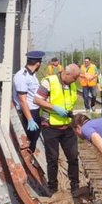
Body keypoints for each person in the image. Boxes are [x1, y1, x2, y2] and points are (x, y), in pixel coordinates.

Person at [34, 63, 81, 194]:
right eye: (74, 78)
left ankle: (75, 187)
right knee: (52, 159)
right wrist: (54, 108)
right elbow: (37, 100)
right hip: (50, 126)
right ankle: (53, 188)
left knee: (73, 157)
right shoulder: (49, 82)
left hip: (67, 126)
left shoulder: (71, 84)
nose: (75, 81)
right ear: (67, 74)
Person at [13, 50, 45, 153]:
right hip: (28, 112)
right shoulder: (22, 76)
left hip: (34, 111)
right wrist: (30, 119)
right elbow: (22, 100)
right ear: (38, 63)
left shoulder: (32, 75)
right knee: (29, 142)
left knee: (34, 140)